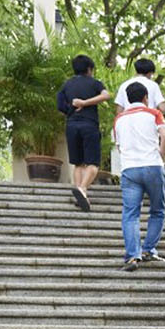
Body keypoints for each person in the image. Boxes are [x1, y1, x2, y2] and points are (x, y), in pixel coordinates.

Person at [112, 81, 165, 272]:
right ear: (146, 97)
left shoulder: (119, 119)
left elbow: (119, 146)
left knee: (130, 214)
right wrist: (161, 155)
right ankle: (148, 249)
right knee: (157, 210)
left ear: (128, 99)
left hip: (129, 170)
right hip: (153, 165)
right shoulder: (154, 113)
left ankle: (132, 256)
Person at [55, 54, 109, 212]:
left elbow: (60, 105)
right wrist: (85, 103)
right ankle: (82, 189)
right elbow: (106, 95)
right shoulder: (95, 83)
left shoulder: (67, 85)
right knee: (93, 163)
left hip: (71, 125)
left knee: (78, 163)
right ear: (89, 69)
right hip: (89, 124)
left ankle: (81, 194)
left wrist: (71, 111)